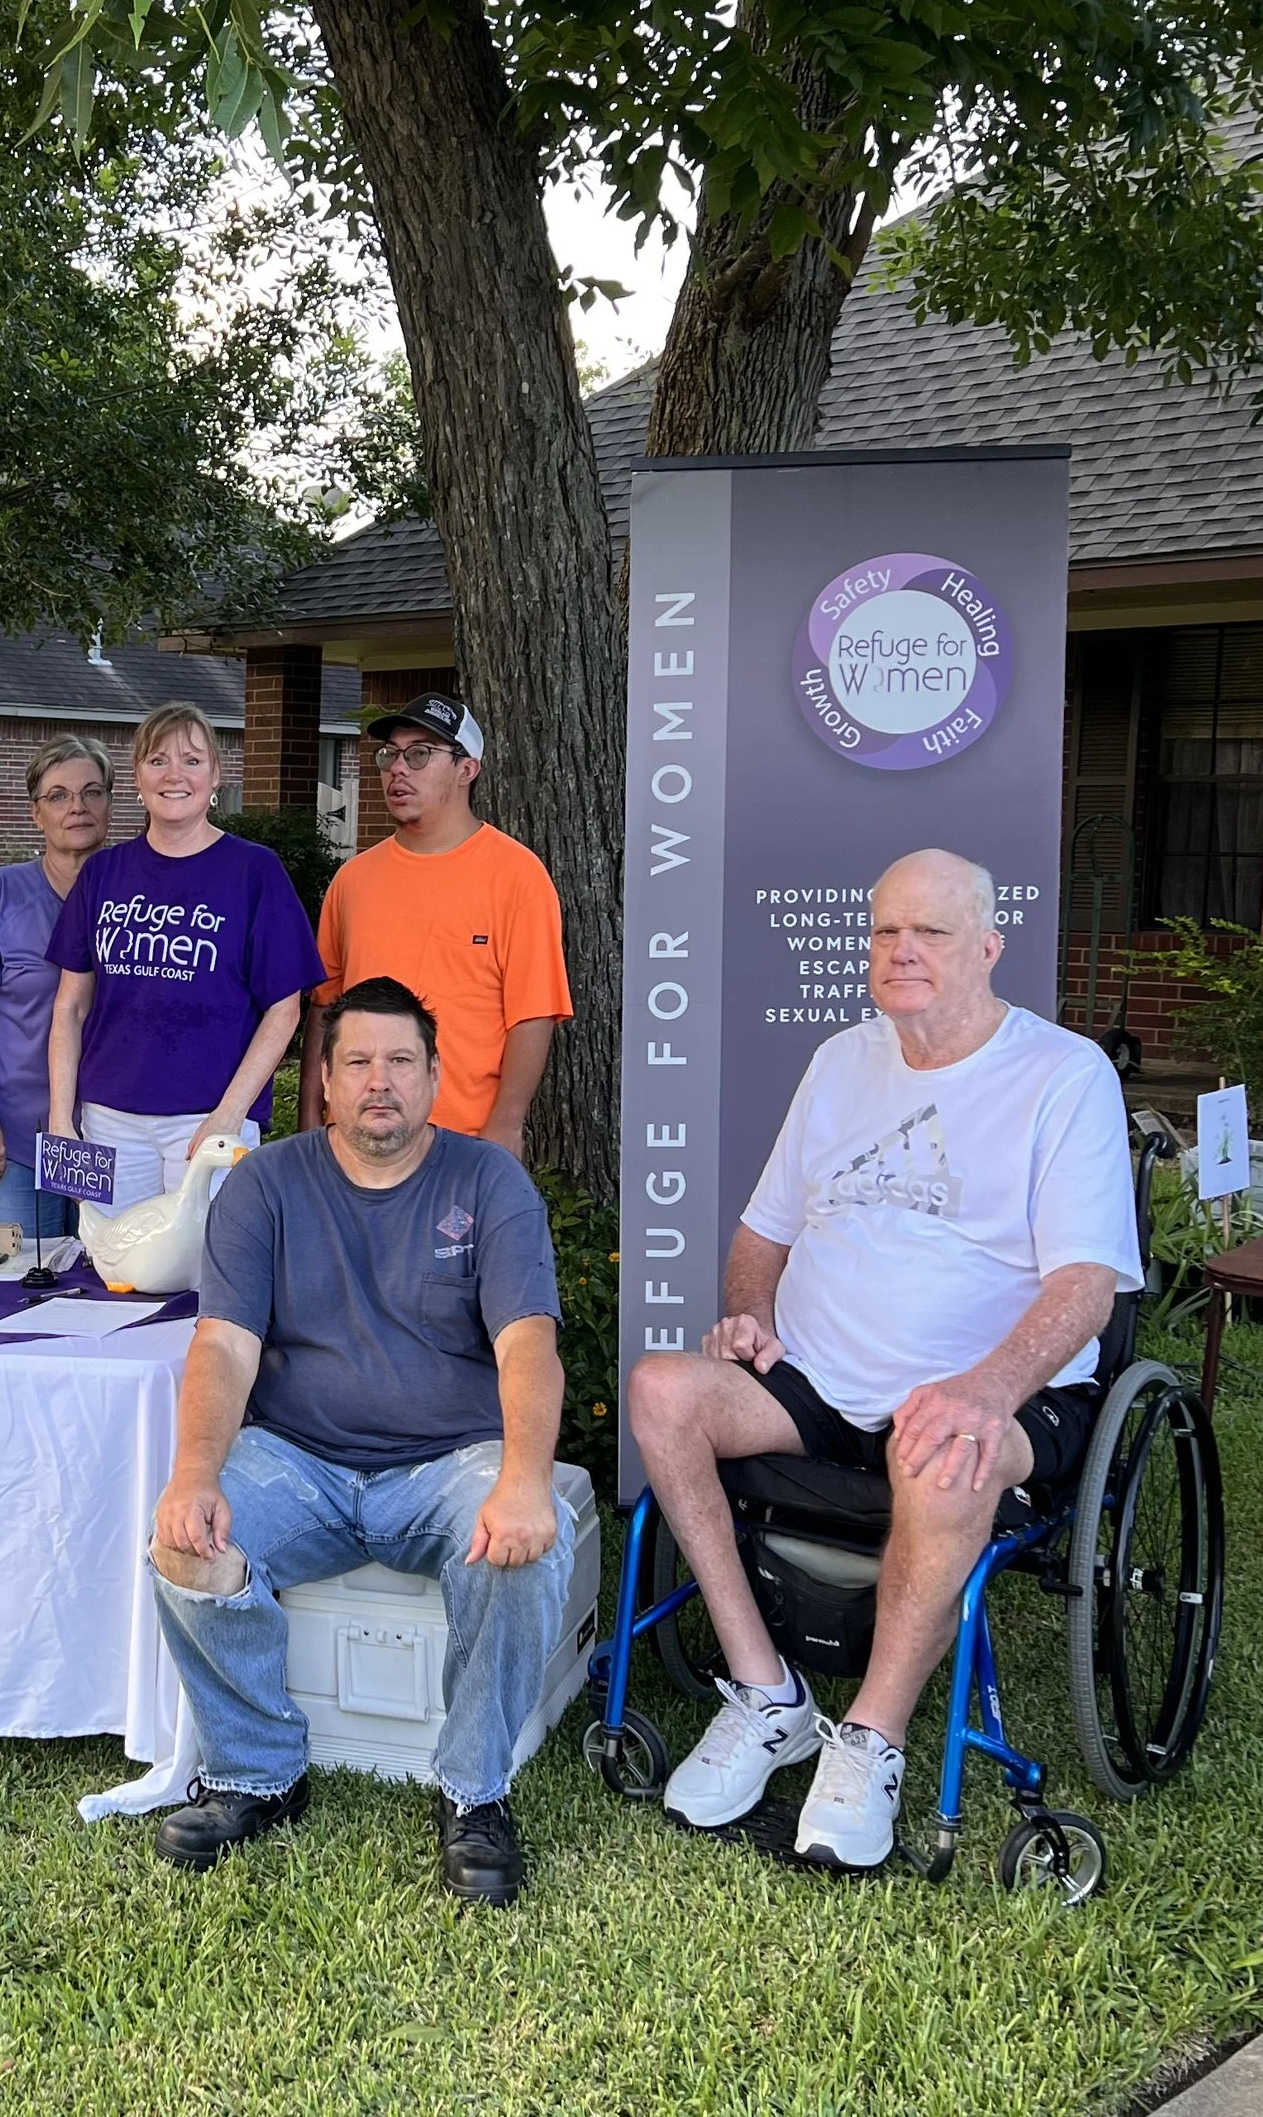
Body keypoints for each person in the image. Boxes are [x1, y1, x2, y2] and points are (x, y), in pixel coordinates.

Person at [627, 848, 1141, 1874]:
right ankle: (767, 1691)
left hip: (994, 1388)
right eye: (884, 932)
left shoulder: (1060, 1074)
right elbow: (760, 1237)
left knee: (944, 1444)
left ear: (988, 947)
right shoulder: (840, 1059)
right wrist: (745, 1319)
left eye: (930, 933)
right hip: (819, 1376)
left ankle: (870, 1738)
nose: (900, 951)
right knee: (661, 1391)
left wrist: (984, 1388)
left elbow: (1086, 1284)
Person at [145, 975, 576, 1902]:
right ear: (326, 1083)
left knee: (521, 1552)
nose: (379, 1081)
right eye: (357, 1062)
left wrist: (523, 1480)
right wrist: (195, 1473)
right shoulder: (264, 1185)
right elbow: (222, 1343)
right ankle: (258, 1771)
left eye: (400, 1062)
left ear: (433, 1076)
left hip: (448, 1463)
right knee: (182, 1545)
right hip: (298, 1457)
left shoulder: (488, 1180)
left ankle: (473, 1793)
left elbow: (528, 1343)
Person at [45, 702, 320, 1212]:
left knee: (206, 1276)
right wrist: (63, 1118)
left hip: (208, 1118)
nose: (175, 775)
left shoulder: (255, 872)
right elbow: (70, 1007)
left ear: (216, 775)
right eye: (157, 761)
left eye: (192, 761)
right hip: (108, 1118)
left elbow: (285, 1008)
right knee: (114, 1267)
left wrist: (229, 1115)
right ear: (136, 778)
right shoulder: (103, 874)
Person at [301, 692, 571, 1154]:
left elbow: (533, 1014)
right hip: (354, 1142)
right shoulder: (352, 881)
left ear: (467, 769)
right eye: (390, 755)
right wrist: (310, 1117)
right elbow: (326, 1009)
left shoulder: (517, 876)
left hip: (463, 1142)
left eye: (420, 754)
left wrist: (506, 1127)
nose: (398, 769)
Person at [0, 735, 114, 1243]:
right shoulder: (4, 892)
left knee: (102, 1283)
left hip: (105, 1133)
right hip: (12, 1134)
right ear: (35, 814)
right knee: (9, 1283)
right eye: (58, 796)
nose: (77, 807)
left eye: (92, 792)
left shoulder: (135, 893)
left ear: (110, 802)